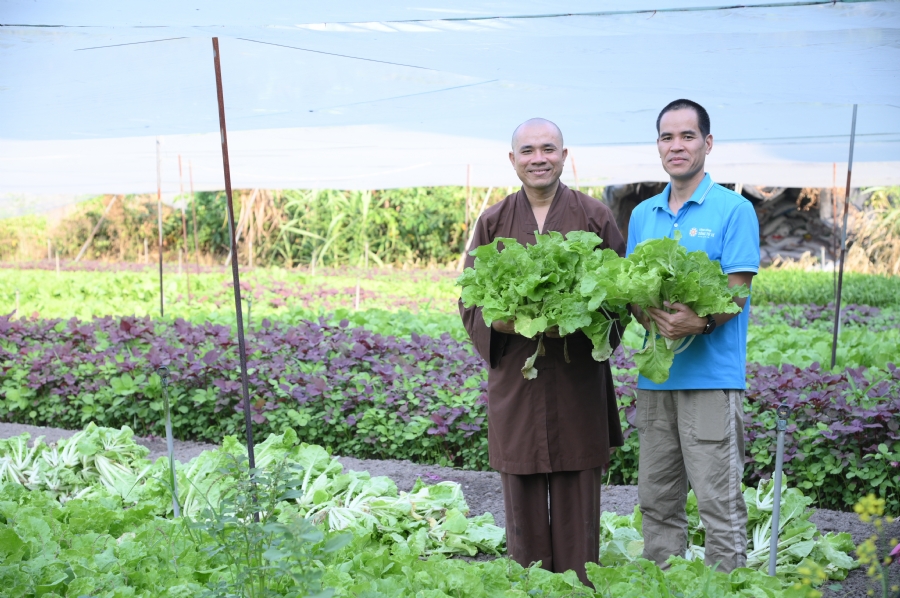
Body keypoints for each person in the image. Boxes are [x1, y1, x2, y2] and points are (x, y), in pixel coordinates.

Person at [459, 118, 625, 586]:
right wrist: (504, 320)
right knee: (522, 494)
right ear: (513, 160)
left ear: (564, 156)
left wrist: (580, 321)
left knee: (578, 495)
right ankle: (530, 585)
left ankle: (578, 586)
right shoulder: (493, 221)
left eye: (548, 149)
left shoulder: (594, 216)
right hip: (518, 376)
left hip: (577, 379)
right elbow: (470, 298)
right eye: (527, 150)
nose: (538, 158)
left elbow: (619, 297)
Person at [627, 99, 760, 572]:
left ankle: (728, 587)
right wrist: (649, 314)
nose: (676, 146)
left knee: (718, 502)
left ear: (707, 143)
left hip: (710, 380)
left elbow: (737, 291)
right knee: (657, 500)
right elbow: (632, 287)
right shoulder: (643, 214)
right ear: (658, 146)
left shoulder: (734, 209)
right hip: (656, 381)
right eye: (667, 137)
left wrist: (699, 323)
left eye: (687, 136)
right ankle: (665, 581)